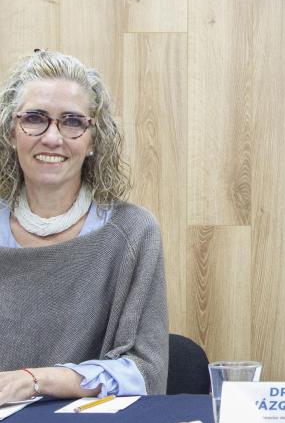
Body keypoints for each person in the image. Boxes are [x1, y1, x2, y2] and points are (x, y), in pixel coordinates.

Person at [0, 50, 168, 404]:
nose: (52, 138)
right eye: (34, 118)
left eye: (72, 122)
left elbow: (146, 374)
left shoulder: (133, 233)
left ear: (94, 140)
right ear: (11, 133)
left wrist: (36, 380)